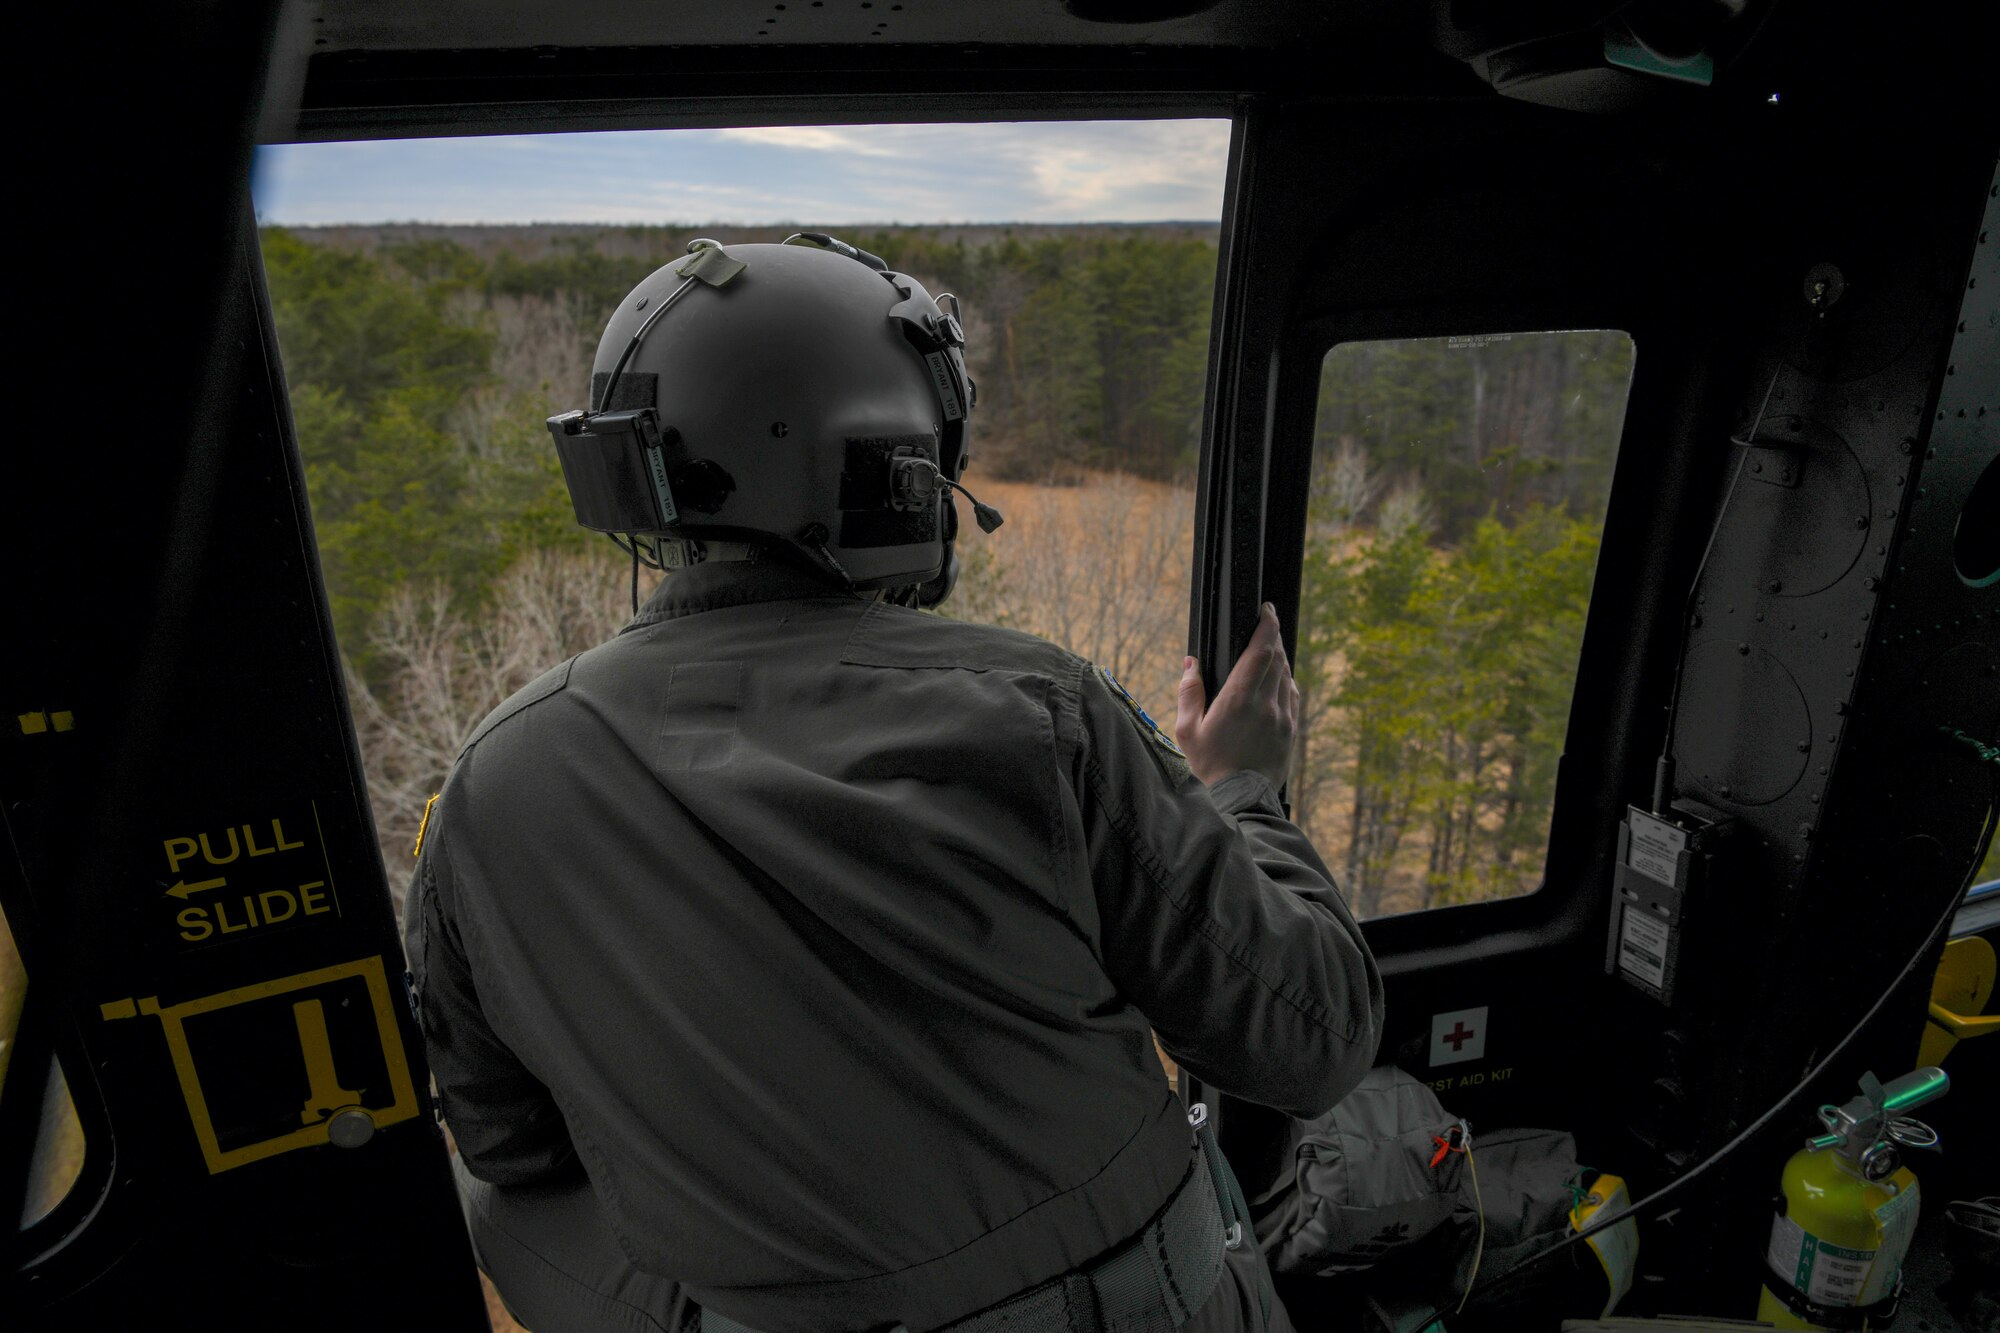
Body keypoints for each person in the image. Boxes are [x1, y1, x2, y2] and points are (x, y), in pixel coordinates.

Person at [404, 236, 1383, 1333]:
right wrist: (1241, 786)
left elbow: (507, 1145)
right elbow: (1313, 1040)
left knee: (492, 1203)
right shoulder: (1036, 712)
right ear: (897, 472)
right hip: (1144, 1309)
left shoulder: (491, 779)